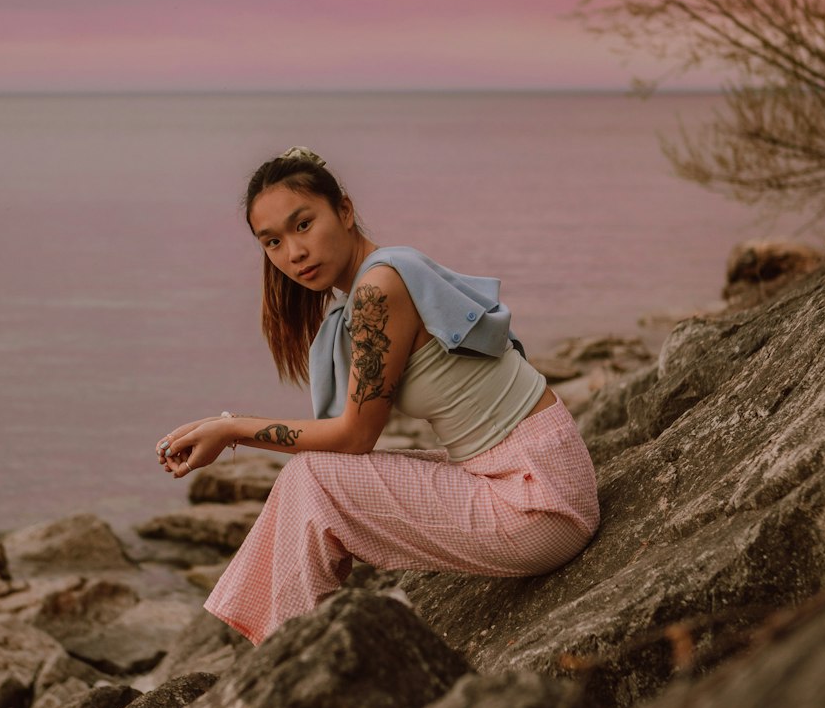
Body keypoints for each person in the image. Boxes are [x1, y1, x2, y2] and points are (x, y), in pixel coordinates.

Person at [156, 147, 599, 646]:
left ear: (344, 210)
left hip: (537, 504)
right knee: (308, 480)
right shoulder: (381, 276)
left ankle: (290, 655)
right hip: (536, 473)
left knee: (314, 478)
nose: (293, 253)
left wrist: (232, 428)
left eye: (303, 225)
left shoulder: (378, 290)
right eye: (273, 242)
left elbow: (354, 437)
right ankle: (280, 646)